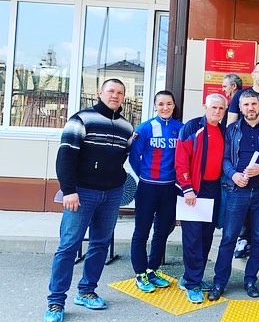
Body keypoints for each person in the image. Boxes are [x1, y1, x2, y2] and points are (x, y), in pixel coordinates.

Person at [44, 79, 134, 322]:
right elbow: (65, 157)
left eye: (120, 92)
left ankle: (86, 291)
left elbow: (122, 158)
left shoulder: (126, 127)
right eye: (111, 91)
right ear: (100, 93)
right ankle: (55, 302)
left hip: (112, 194)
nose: (115, 95)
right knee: (69, 246)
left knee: (100, 244)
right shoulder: (81, 119)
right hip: (82, 193)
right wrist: (69, 190)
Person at [209, 89, 259, 300]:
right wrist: (233, 175)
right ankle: (219, 282)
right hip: (237, 191)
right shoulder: (232, 130)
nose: (250, 108)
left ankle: (250, 280)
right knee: (229, 237)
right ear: (240, 108)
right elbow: (224, 159)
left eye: (254, 104)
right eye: (246, 105)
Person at [129, 90, 183, 293]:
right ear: (155, 106)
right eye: (161, 104)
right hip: (148, 187)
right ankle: (140, 273)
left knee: (162, 231)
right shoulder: (145, 128)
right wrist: (145, 175)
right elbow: (134, 157)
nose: (165, 107)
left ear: (174, 105)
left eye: (169, 103)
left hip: (170, 188)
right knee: (141, 231)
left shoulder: (181, 128)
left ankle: (153, 269)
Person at [175, 93, 227, 304]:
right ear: (205, 106)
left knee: (206, 236)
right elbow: (181, 160)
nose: (217, 111)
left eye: (221, 108)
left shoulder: (223, 130)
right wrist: (187, 188)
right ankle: (192, 284)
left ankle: (191, 277)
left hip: (214, 189)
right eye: (214, 107)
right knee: (193, 238)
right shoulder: (192, 127)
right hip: (194, 189)